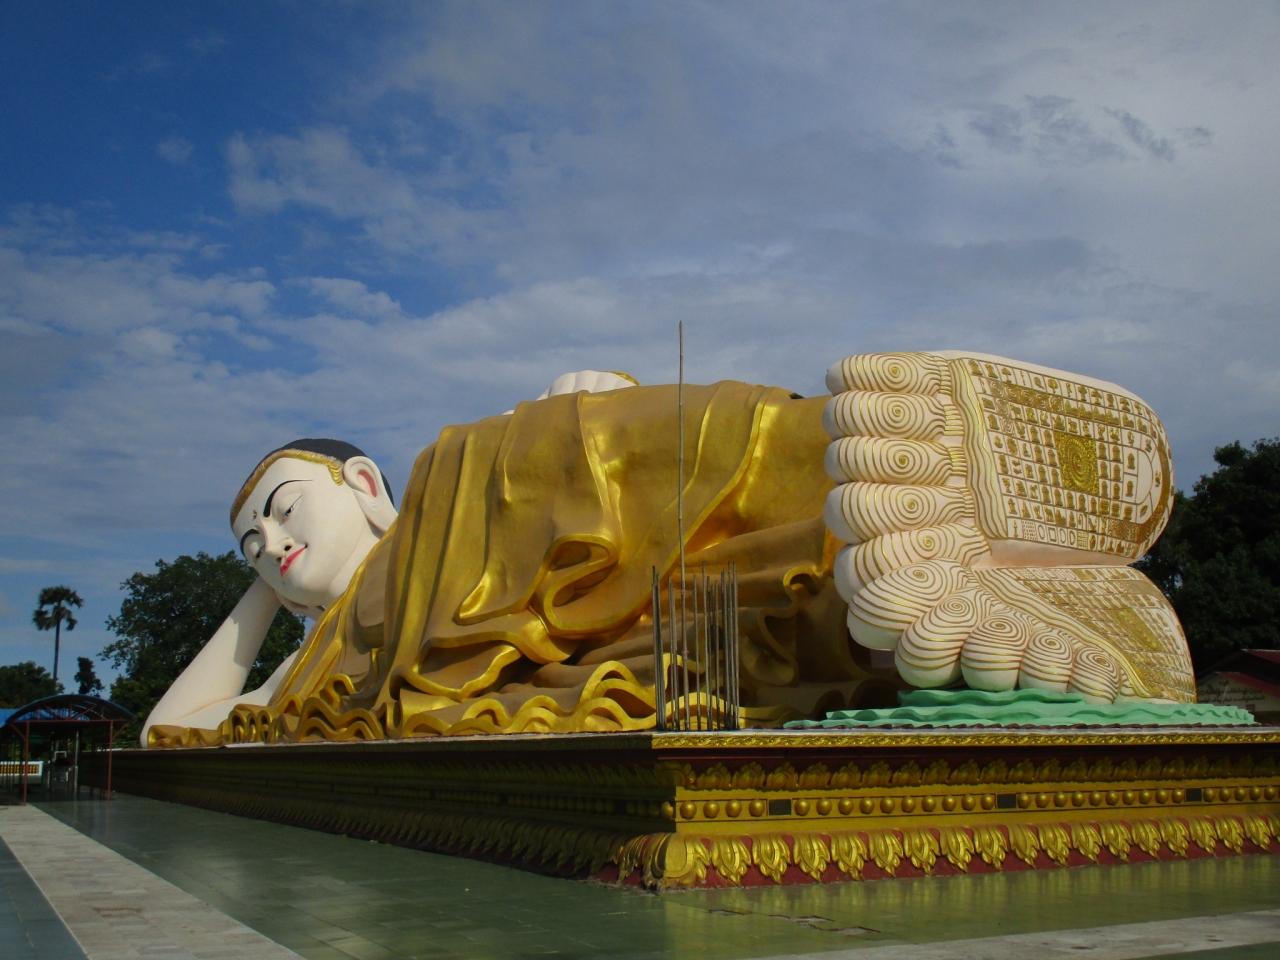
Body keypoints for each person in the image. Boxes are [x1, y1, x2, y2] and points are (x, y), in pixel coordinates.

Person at [145, 353, 1196, 748]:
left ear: (362, 486)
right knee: (728, 623)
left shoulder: (434, 497)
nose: (272, 547)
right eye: (251, 546)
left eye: (283, 511)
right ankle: (937, 581)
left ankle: (881, 455)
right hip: (565, 648)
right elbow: (169, 730)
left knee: (519, 451)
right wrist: (260, 594)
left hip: (508, 541)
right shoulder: (319, 666)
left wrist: (595, 391)